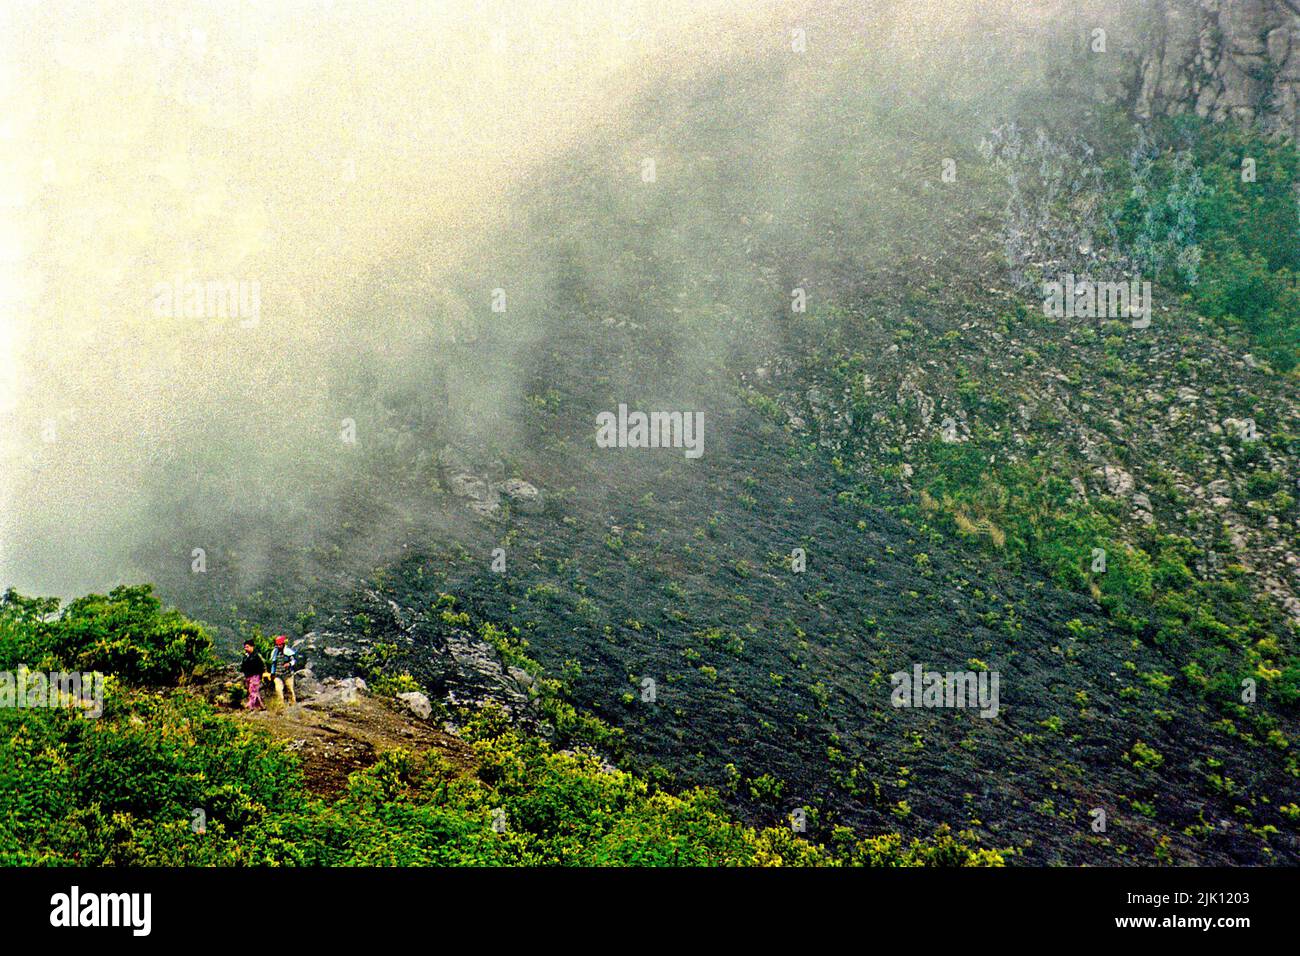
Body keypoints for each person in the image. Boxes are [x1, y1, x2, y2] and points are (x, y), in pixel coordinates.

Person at [269, 634, 297, 706]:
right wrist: (272, 673)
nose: (279, 646)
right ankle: (281, 705)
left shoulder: (288, 652)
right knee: (278, 689)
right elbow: (273, 663)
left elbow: (293, 661)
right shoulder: (275, 652)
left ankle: (293, 704)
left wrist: (289, 664)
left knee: (290, 689)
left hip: (288, 674)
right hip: (278, 675)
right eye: (277, 645)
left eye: (280, 645)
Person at [240, 641, 265, 710]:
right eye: (245, 647)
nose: (246, 648)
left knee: (253, 690)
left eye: (247, 647)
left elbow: (261, 666)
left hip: (255, 676)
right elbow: (243, 666)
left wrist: (260, 675)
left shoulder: (256, 656)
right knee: (253, 691)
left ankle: (250, 706)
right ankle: (261, 706)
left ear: (252, 647)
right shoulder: (246, 656)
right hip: (248, 676)